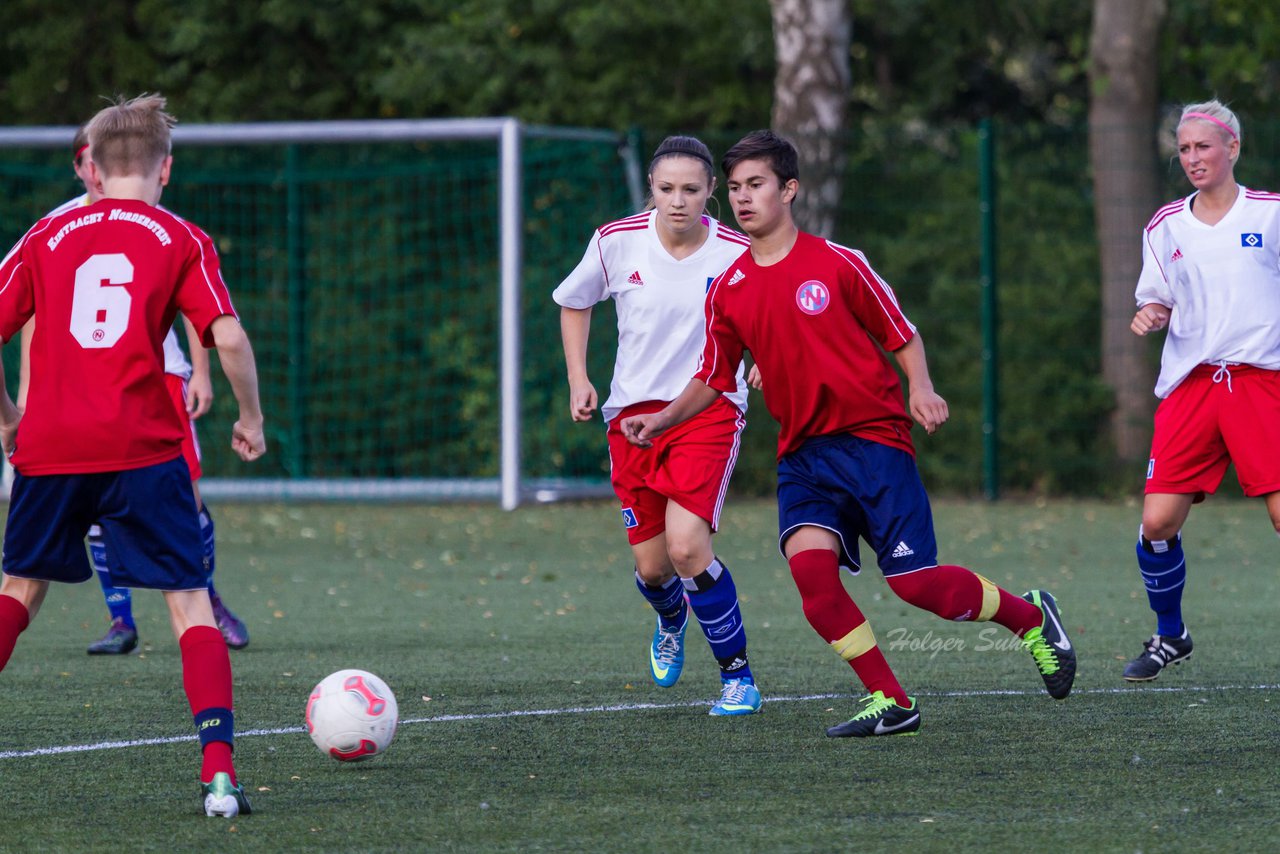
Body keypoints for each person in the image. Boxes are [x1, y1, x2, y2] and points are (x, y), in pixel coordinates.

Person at [623, 130, 1076, 737]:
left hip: (873, 442)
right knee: (811, 573)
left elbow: (902, 333)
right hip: (804, 458)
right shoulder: (728, 289)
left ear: (790, 190)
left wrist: (920, 388)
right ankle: (890, 700)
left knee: (918, 587)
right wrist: (663, 419)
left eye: (755, 185)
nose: (742, 199)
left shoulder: (837, 262)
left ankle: (1031, 621)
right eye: (733, 188)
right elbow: (712, 376)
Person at [0, 94, 265, 816]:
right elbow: (229, 337)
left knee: (17, 594)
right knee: (187, 604)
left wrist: (8, 416)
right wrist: (252, 418)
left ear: (93, 166)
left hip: (49, 447)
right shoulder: (179, 236)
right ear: (164, 168)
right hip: (144, 449)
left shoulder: (43, 235)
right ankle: (218, 777)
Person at [16, 125, 250, 655]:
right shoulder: (67, 225)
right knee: (105, 511)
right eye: (76, 159)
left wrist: (201, 372)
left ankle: (203, 595)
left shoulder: (142, 229)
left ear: (95, 165)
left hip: (153, 382)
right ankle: (125, 618)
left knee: (183, 501)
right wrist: (24, 393)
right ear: (82, 168)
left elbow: (204, 313)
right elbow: (34, 315)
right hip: (86, 399)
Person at [553, 136, 763, 715]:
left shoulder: (736, 252)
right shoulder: (616, 242)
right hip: (631, 418)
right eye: (667, 189)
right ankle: (672, 616)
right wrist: (579, 378)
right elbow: (574, 302)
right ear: (652, 190)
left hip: (708, 410)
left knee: (688, 548)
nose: (678, 201)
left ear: (710, 192)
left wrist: (762, 357)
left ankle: (737, 677)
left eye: (691, 190)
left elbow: (770, 313)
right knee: (653, 567)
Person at [1123, 100, 1280, 681]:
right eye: (1184, 149)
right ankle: (1171, 636)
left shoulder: (1270, 214)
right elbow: (1156, 292)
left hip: (1261, 381)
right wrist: (1153, 312)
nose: (1193, 157)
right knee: (1158, 523)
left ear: (1232, 149)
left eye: (1204, 146)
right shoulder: (1166, 225)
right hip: (1192, 385)